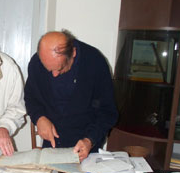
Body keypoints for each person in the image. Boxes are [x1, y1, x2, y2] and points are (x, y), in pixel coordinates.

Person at [24, 29, 118, 161]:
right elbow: (30, 97)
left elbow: (107, 111)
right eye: (48, 69)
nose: (54, 75)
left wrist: (90, 140)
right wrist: (39, 117)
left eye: (59, 68)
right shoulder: (37, 63)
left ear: (73, 53)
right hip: (52, 146)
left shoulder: (95, 62)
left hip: (86, 146)